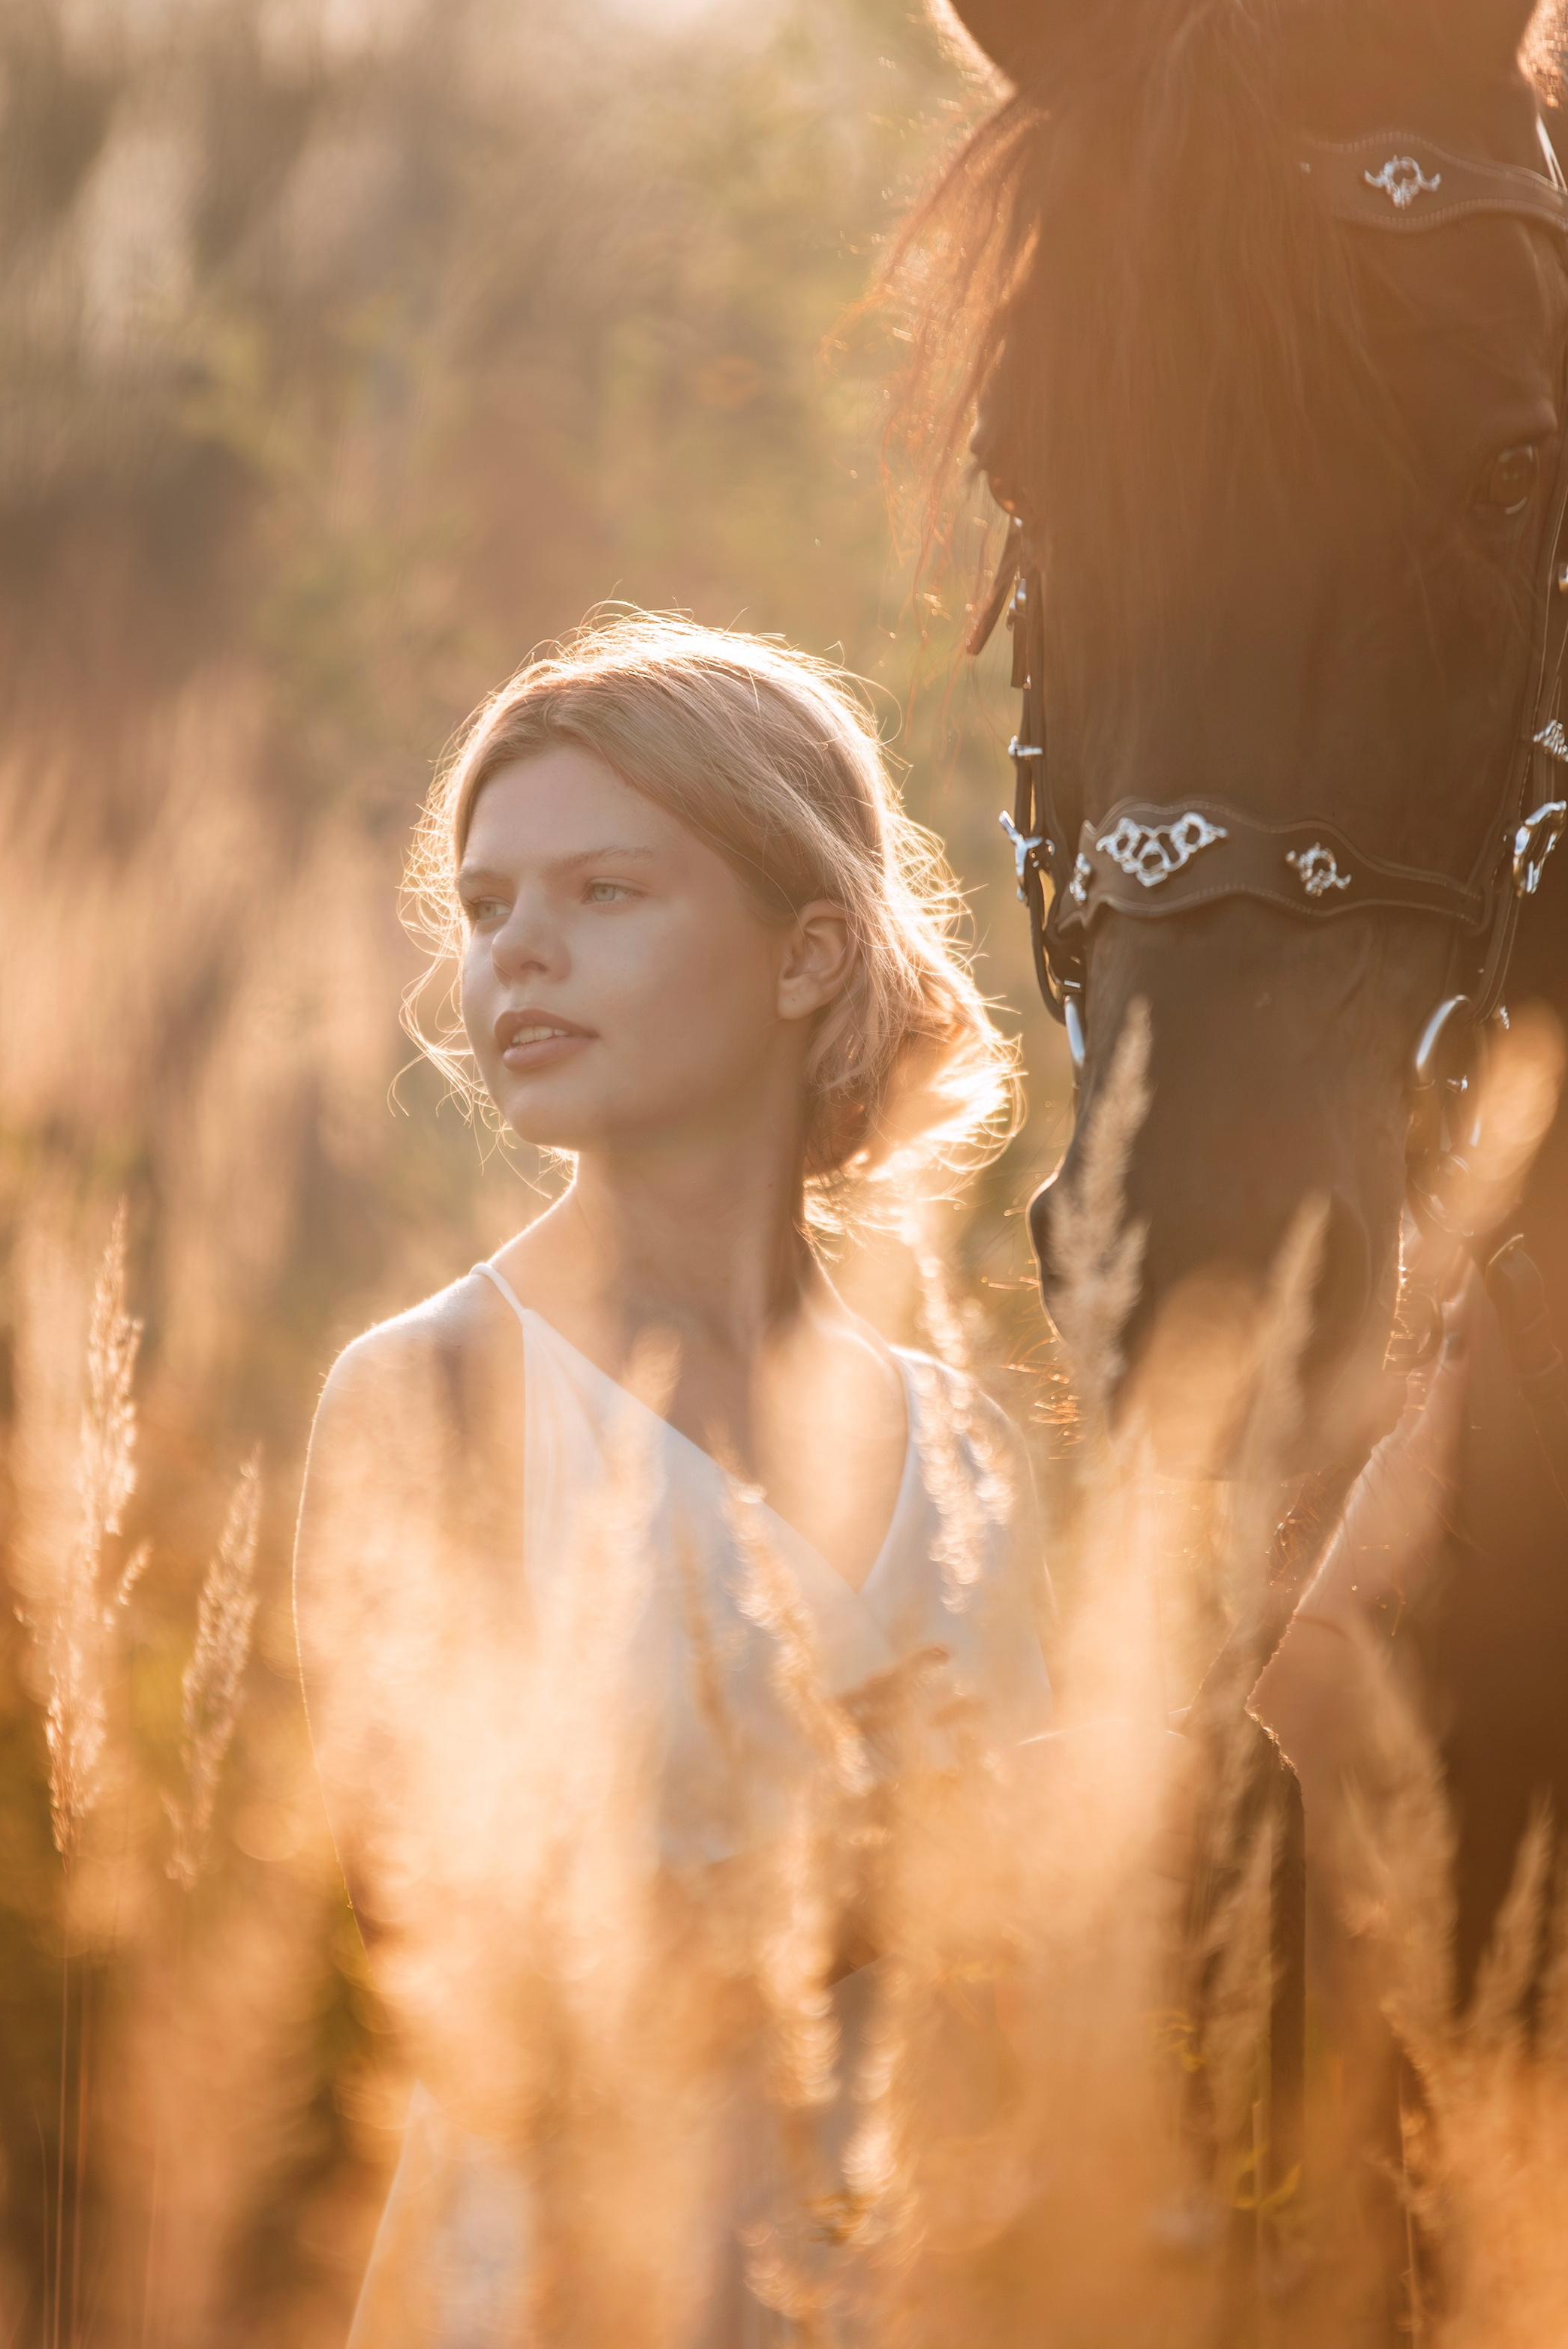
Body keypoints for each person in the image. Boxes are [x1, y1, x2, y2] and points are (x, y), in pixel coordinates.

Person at [293, 612, 1049, 2348]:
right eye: (486, 910)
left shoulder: (969, 1445)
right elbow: (442, 1953)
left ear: (802, 955)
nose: (518, 957)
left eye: (603, 894)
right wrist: (898, 1861)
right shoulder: (437, 1393)